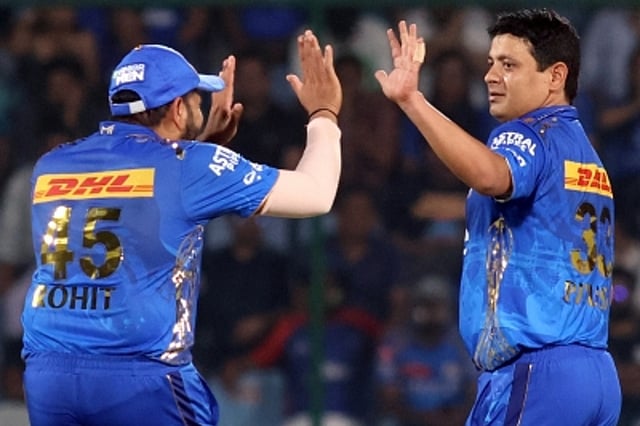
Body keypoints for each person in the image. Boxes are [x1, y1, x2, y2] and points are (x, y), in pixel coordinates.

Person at [21, 29, 342, 426]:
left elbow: (140, 201)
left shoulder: (52, 163)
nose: (202, 104)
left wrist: (204, 145)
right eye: (196, 97)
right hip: (138, 376)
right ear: (176, 108)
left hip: (48, 373)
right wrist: (324, 114)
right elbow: (316, 194)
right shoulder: (191, 165)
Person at [376, 9, 621, 425]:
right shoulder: (585, 154)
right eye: (491, 63)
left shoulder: (526, 133)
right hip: (595, 373)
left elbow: (492, 176)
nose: (490, 76)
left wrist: (412, 101)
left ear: (556, 76)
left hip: (537, 373)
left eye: (509, 65)